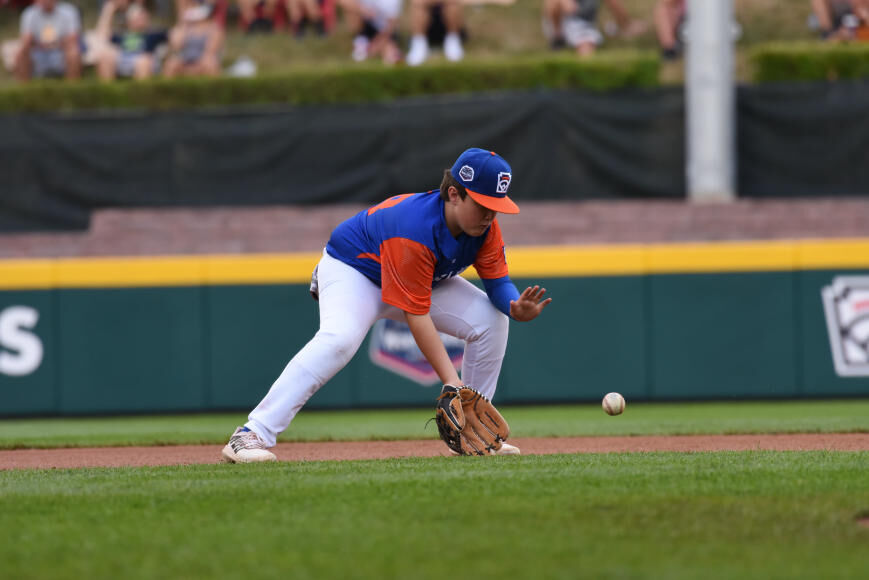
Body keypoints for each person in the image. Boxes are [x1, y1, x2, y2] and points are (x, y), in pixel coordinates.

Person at [221, 148, 553, 463]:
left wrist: (513, 305)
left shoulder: (484, 228)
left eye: (496, 205)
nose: (490, 214)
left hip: (417, 280)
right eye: (482, 204)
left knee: (492, 320)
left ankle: (471, 434)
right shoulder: (414, 228)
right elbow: (416, 314)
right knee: (339, 341)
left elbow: (497, 281)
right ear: (454, 194)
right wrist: (453, 383)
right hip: (356, 273)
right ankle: (251, 434)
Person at [94, 0, 169, 81]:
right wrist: (110, 8)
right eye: (138, 17)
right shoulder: (122, 35)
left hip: (145, 61)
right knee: (105, 56)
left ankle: (142, 92)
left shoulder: (153, 34)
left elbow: (175, 36)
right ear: (129, 21)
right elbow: (102, 35)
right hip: (124, 60)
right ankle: (108, 91)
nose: (141, 19)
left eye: (143, 16)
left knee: (143, 61)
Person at [542, 0, 646, 56]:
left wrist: (625, 25)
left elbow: (614, 4)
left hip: (582, 24)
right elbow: (551, 6)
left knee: (586, 51)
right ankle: (558, 39)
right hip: (560, 21)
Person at [13, 0, 81, 81]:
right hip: (38, 53)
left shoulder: (69, 11)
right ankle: (24, 88)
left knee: (73, 51)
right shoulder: (29, 13)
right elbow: (26, 39)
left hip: (61, 52)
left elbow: (73, 37)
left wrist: (53, 44)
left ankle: (72, 86)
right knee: (21, 52)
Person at [162, 0, 224, 77]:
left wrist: (195, 68)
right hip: (185, 60)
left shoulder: (214, 28)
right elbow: (176, 46)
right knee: (171, 63)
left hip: (202, 60)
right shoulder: (185, 26)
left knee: (210, 63)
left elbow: (210, 52)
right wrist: (183, 23)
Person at [405, 0, 465, 66]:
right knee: (418, 3)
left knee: (452, 3)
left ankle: (452, 41)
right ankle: (419, 44)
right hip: (426, 19)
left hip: (445, 18)